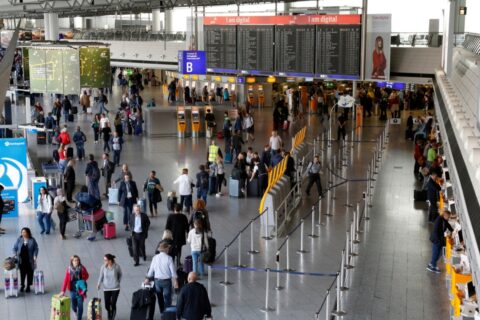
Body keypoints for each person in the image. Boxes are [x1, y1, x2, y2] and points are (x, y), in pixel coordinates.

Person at [145, 242, 178, 310]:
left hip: (157, 281)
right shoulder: (169, 258)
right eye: (168, 248)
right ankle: (167, 313)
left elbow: (151, 270)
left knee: (159, 298)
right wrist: (175, 281)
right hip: (166, 282)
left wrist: (147, 278)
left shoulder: (155, 258)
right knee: (167, 298)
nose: (169, 249)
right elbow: (173, 272)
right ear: (166, 249)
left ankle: (162, 312)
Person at [60, 255, 89, 320]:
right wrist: (63, 291)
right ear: (72, 261)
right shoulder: (69, 269)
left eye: (77, 260)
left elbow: (87, 275)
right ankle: (75, 311)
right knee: (73, 304)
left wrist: (83, 280)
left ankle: (79, 318)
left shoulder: (82, 268)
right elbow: (66, 280)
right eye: (75, 260)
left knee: (80, 305)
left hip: (80, 290)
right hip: (72, 289)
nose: (76, 262)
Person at [12, 227, 38, 293]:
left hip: (29, 260)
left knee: (30, 273)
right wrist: (15, 254)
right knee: (22, 273)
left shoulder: (32, 240)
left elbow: (36, 248)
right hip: (21, 260)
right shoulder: (19, 239)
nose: (23, 233)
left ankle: (28, 286)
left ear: (28, 233)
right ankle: (22, 285)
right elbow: (14, 248)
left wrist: (35, 256)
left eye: (24, 232)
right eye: (22, 232)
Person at [97, 254, 122, 320]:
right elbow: (101, 276)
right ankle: (109, 311)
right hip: (106, 288)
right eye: (104, 260)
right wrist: (98, 284)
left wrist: (118, 281)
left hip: (115, 288)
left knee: (113, 303)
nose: (104, 261)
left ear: (110, 260)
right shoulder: (103, 267)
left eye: (105, 260)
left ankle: (112, 316)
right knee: (106, 305)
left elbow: (120, 274)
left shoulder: (117, 267)